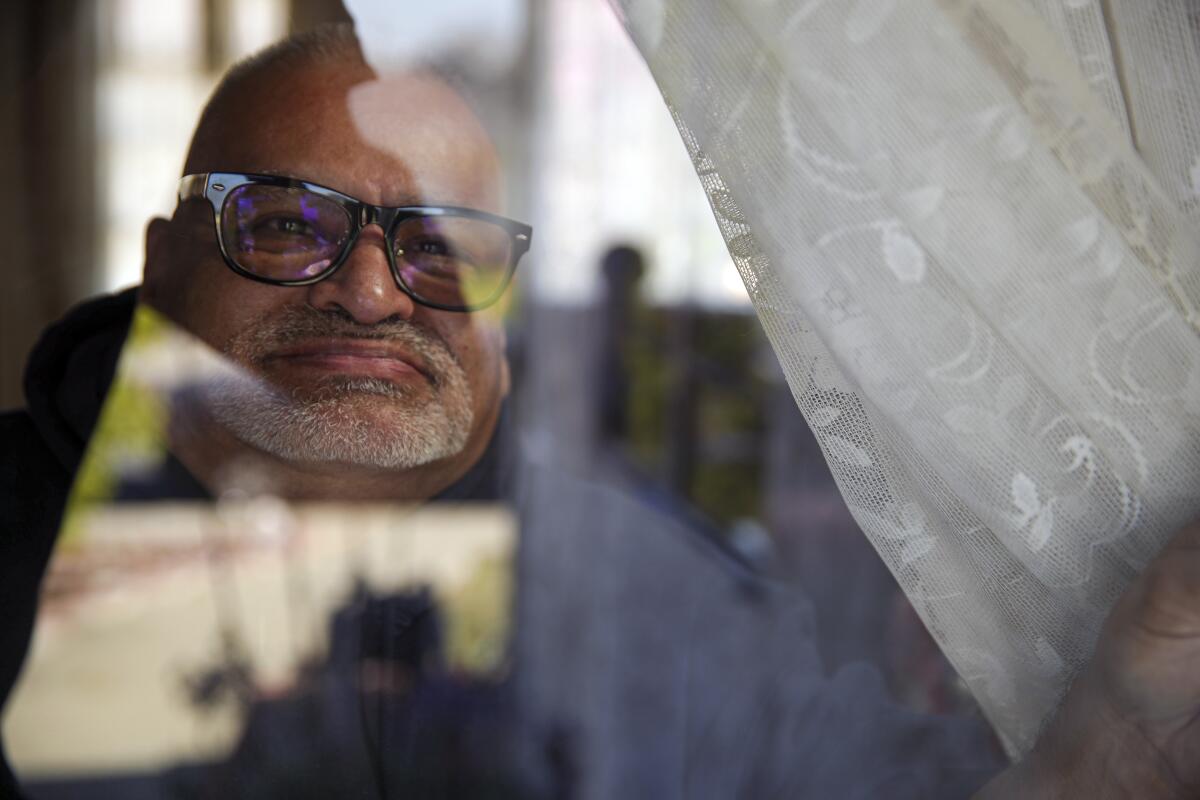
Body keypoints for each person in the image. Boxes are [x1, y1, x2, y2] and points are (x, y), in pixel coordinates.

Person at [0, 23, 1196, 800]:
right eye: (282, 223)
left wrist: (1119, 751)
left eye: (442, 247)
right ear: (164, 264)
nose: (368, 288)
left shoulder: (646, 600)